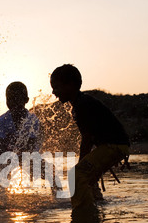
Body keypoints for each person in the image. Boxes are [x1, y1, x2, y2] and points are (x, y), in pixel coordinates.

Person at [50, 64, 130, 210]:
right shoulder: (80, 103)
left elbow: (87, 138)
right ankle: (97, 204)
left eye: (56, 87)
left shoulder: (83, 104)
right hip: (116, 145)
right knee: (88, 177)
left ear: (71, 85)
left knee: (76, 175)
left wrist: (82, 161)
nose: (54, 92)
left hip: (114, 146)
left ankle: (82, 212)